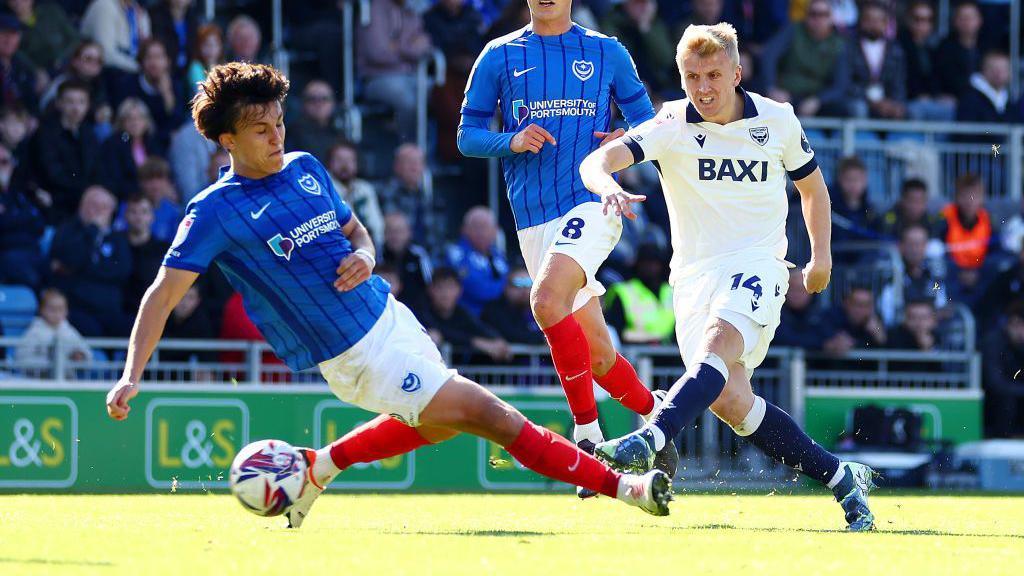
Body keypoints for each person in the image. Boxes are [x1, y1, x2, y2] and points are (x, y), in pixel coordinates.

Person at [104, 62, 672, 529]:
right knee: (490, 415)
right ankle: (627, 487)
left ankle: (315, 469)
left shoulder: (305, 167)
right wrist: (133, 373)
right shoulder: (213, 211)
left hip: (390, 317)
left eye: (280, 122)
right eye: (261, 130)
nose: (278, 137)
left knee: (444, 423)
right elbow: (161, 293)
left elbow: (355, 230)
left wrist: (367, 256)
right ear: (227, 139)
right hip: (354, 356)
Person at [578, 22, 877, 531]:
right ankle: (839, 476)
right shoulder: (670, 124)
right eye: (692, 76)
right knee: (732, 402)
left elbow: (813, 191)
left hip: (760, 265)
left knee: (719, 345)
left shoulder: (777, 120)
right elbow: (598, 160)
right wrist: (605, 183)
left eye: (714, 74)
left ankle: (648, 439)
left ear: (737, 73)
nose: (703, 88)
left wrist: (820, 257)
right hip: (694, 278)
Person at [458, 0, 675, 488]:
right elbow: (466, 137)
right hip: (533, 220)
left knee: (545, 300)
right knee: (597, 354)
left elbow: (651, 124)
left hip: (594, 201)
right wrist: (510, 141)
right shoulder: (499, 55)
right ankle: (657, 412)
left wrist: (626, 137)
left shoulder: (606, 51)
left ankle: (587, 438)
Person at [49, 185, 133, 337]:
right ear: (82, 206)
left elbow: (122, 271)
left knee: (137, 329)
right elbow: (72, 260)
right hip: (78, 309)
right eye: (94, 205)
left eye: (104, 207)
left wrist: (85, 270)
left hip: (109, 309)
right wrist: (92, 231)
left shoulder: (118, 238)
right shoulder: (67, 231)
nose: (99, 211)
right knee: (89, 329)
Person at [15, 288, 92, 377]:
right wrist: (48, 363)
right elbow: (21, 359)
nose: (56, 313)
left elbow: (86, 353)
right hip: (39, 383)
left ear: (66, 311)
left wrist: (81, 356)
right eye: (52, 309)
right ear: (41, 310)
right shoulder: (34, 332)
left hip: (67, 381)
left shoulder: (70, 331)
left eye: (60, 309)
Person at [445, 206, 508, 316]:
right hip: (469, 316)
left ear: (495, 231)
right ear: (464, 229)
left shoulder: (499, 256)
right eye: (476, 227)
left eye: (485, 227)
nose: (481, 232)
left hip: (498, 315)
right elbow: (478, 289)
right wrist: (505, 289)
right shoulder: (456, 254)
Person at [326, 141, 384, 249]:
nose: (345, 165)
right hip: (338, 249)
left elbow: (377, 225)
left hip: (368, 248)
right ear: (329, 163)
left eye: (349, 160)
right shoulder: (323, 188)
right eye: (339, 160)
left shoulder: (365, 188)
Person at [481, 267, 545, 345]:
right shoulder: (494, 310)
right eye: (517, 284)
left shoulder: (537, 309)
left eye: (528, 283)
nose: (524, 289)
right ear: (506, 287)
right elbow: (511, 335)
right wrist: (541, 339)